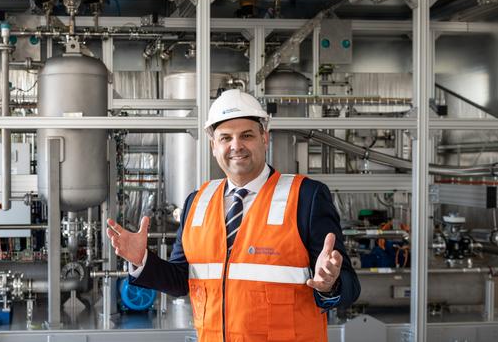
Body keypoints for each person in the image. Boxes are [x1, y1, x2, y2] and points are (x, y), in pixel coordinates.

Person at [106, 89, 360, 342]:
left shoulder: (306, 196)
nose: (236, 146)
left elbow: (350, 286)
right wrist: (142, 260)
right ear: (213, 146)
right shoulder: (197, 201)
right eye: (225, 138)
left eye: (246, 135)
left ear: (264, 138)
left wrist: (330, 285)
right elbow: (183, 280)